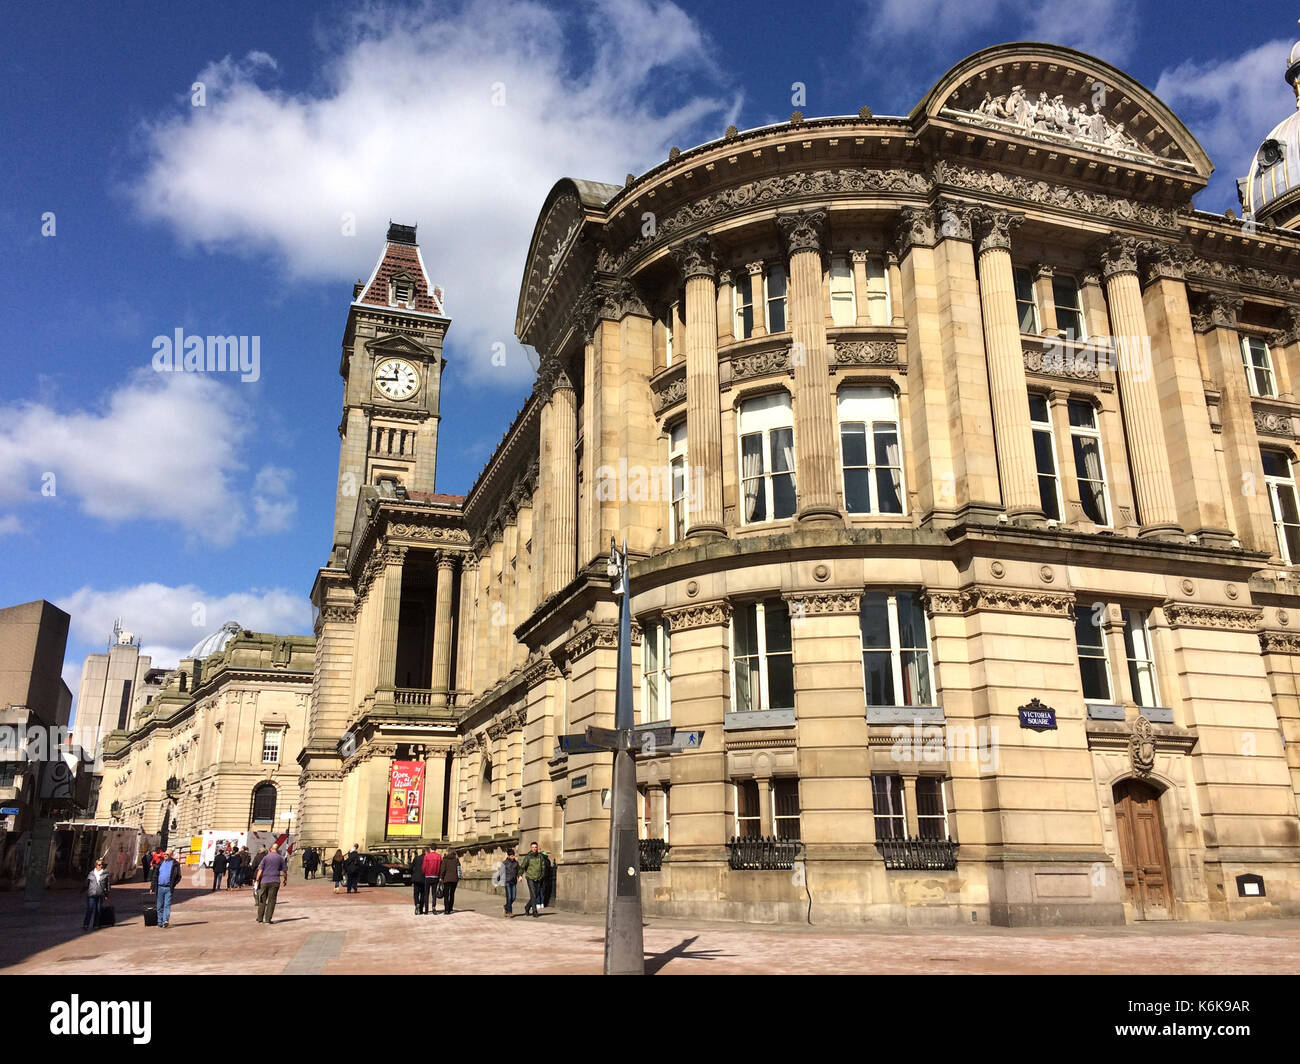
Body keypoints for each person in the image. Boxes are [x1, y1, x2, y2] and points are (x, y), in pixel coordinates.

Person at [254, 842, 288, 924]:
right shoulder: (280, 858)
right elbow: (284, 870)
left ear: (271, 849)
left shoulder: (266, 858)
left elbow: (260, 870)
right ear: (277, 849)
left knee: (262, 899)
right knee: (271, 901)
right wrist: (285, 879)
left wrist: (257, 880)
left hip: (264, 881)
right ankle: (268, 919)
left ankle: (260, 918)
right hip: (275, 880)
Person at [151, 849, 181, 928]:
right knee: (159, 905)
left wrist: (173, 884)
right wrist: (152, 887)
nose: (165, 855)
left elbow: (178, 876)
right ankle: (159, 922)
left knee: (167, 905)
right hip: (160, 887)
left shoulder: (175, 864)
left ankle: (165, 920)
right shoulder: (160, 863)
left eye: (167, 854)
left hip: (168, 888)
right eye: (164, 854)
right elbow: (155, 875)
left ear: (171, 855)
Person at [83, 858, 110, 931]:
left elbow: (107, 885)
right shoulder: (91, 873)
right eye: (99, 865)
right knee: (90, 909)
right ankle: (86, 924)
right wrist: (85, 890)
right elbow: (87, 883)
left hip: (100, 894)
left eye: (101, 865)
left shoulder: (105, 874)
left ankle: (95, 924)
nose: (100, 866)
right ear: (96, 865)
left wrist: (107, 894)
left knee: (98, 910)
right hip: (91, 894)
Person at [520, 842, 545, 917]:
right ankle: (534, 911)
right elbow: (522, 866)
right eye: (533, 847)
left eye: (535, 847)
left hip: (538, 878)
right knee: (533, 894)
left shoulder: (540, 857)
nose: (534, 848)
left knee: (536, 895)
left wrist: (542, 875)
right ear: (530, 848)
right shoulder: (528, 857)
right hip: (530, 877)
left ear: (537, 848)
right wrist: (520, 875)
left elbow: (543, 867)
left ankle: (527, 907)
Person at [437, 848, 459, 914]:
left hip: (446, 879)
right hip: (454, 879)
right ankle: (450, 908)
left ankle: (446, 910)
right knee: (452, 894)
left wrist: (441, 877)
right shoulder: (456, 860)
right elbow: (459, 869)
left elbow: (443, 870)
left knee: (446, 894)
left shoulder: (445, 860)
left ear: (448, 852)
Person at [421, 844, 442, 912]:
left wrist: (424, 873)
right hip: (435, 876)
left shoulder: (427, 856)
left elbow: (424, 866)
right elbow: (440, 867)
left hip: (427, 876)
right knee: (434, 893)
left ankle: (426, 909)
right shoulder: (439, 856)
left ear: (430, 848)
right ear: (436, 849)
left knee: (426, 893)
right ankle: (433, 906)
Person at [500, 850, 519, 917]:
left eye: (513, 856)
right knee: (509, 897)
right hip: (507, 881)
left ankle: (506, 906)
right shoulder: (504, 863)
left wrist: (519, 876)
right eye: (511, 856)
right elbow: (501, 872)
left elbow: (518, 871)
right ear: (508, 856)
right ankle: (509, 912)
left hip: (513, 882)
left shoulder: (516, 863)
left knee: (513, 897)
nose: (513, 857)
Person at [410, 848, 427, 915]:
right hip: (424, 878)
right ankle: (421, 909)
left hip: (416, 878)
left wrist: (413, 874)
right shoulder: (426, 859)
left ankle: (417, 903)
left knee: (416, 893)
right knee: (423, 894)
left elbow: (411, 867)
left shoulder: (416, 858)